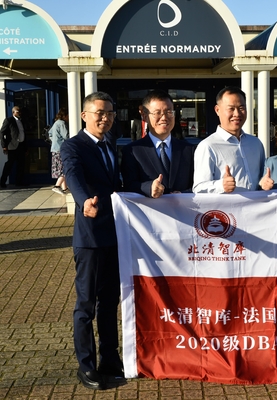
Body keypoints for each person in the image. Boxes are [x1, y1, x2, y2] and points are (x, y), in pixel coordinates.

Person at [60, 92, 123, 390]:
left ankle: (110, 360)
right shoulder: (73, 145)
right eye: (99, 112)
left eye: (109, 113)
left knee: (109, 302)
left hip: (114, 235)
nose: (105, 118)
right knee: (86, 304)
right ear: (85, 115)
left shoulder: (111, 144)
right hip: (89, 236)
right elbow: (72, 174)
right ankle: (86, 366)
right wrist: (83, 200)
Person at [192, 86, 267, 193]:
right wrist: (221, 186)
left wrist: (264, 183)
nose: (237, 114)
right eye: (231, 109)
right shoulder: (208, 146)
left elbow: (262, 178)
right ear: (217, 110)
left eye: (241, 108)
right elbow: (199, 188)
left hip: (258, 203)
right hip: (226, 204)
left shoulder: (255, 143)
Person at [121, 89, 195, 197]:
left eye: (169, 112)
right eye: (157, 113)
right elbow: (128, 186)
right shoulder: (132, 151)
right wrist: (149, 188)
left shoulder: (188, 149)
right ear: (145, 117)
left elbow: (196, 185)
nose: (164, 118)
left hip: (182, 207)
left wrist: (183, 195)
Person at [0, 106, 27, 188]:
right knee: (9, 164)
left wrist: (26, 147)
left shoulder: (21, 121)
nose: (20, 113)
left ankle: (19, 182)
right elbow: (2, 133)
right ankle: (2, 182)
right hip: (12, 146)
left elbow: (23, 133)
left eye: (20, 111)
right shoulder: (9, 120)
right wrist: (4, 146)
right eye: (18, 111)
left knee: (21, 165)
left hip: (21, 145)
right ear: (13, 112)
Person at [49, 107, 69, 194]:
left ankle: (64, 188)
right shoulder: (62, 123)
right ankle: (57, 186)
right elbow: (66, 136)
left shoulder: (56, 123)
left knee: (60, 168)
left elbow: (50, 134)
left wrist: (55, 141)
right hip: (61, 149)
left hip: (55, 149)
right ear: (65, 115)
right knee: (64, 168)